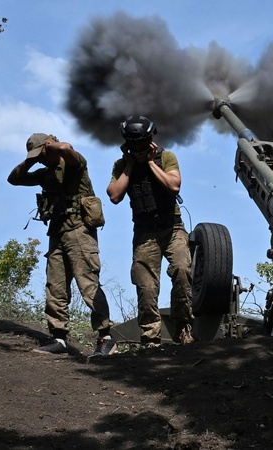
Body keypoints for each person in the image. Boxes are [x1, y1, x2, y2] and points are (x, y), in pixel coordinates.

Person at [7, 133, 116, 358]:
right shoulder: (44, 174)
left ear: (50, 147)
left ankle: (106, 338)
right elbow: (14, 179)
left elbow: (67, 148)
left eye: (41, 154)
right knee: (55, 287)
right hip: (57, 233)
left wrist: (53, 146)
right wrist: (31, 159)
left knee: (88, 284)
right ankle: (59, 338)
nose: (40, 159)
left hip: (80, 232)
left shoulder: (74, 165)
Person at [106, 115, 195, 347]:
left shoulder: (165, 157)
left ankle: (183, 328)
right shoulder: (121, 166)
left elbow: (174, 185)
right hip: (145, 232)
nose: (138, 148)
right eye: (133, 144)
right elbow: (114, 195)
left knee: (183, 271)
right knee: (145, 284)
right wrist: (132, 164)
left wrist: (150, 163)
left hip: (172, 227)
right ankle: (150, 339)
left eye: (142, 143)